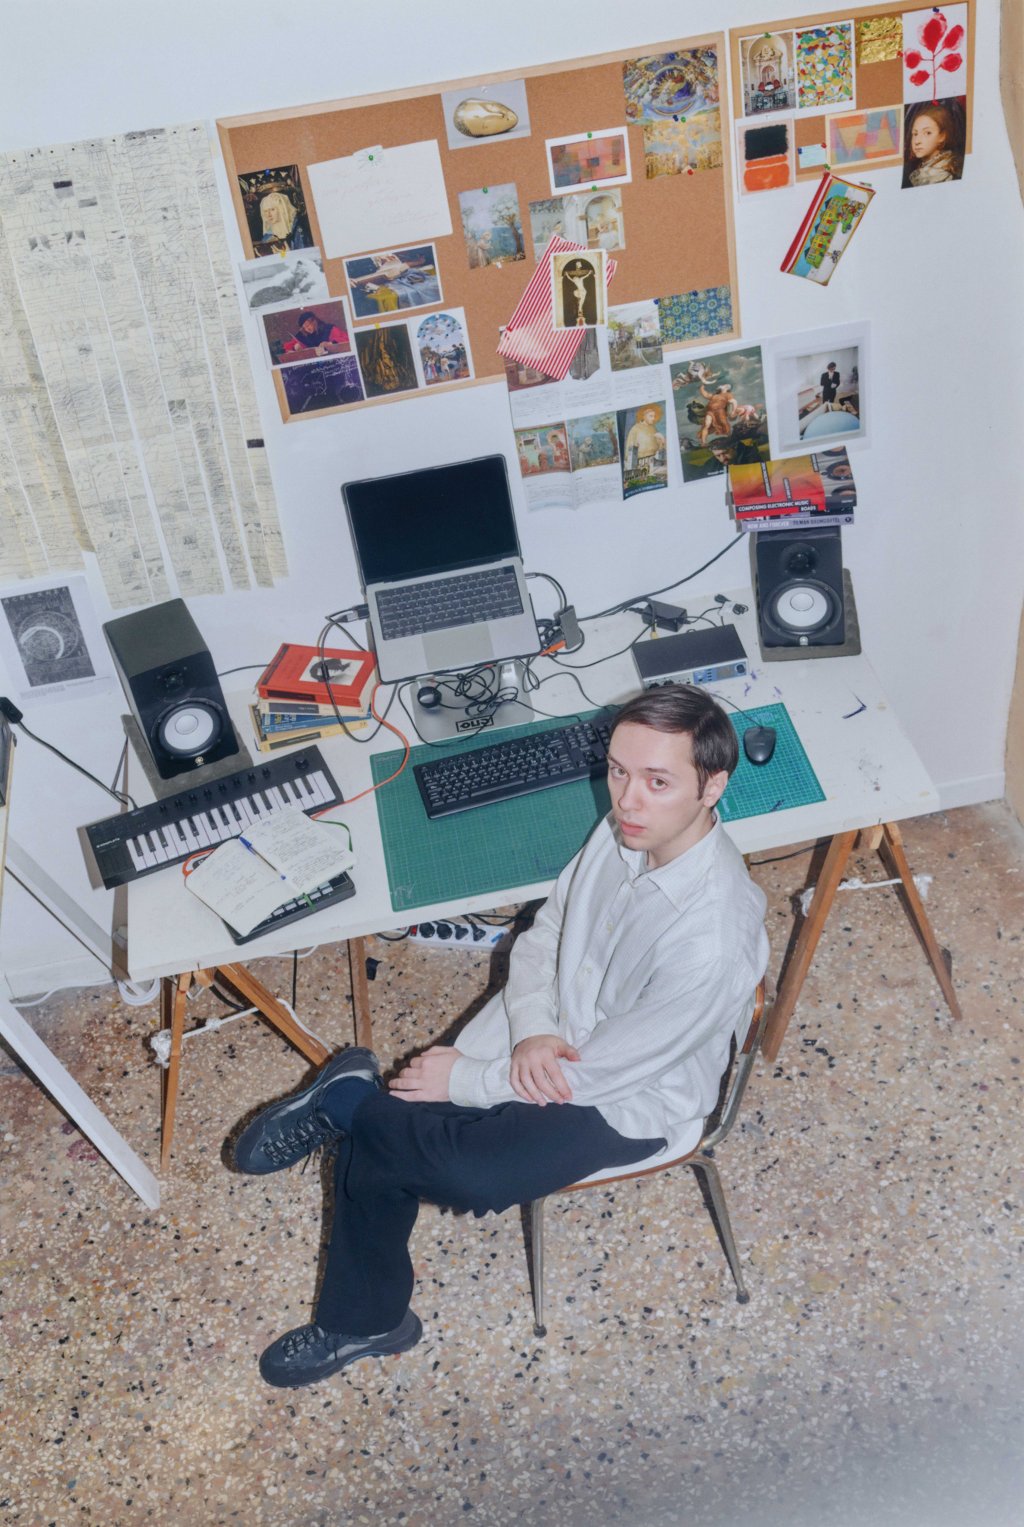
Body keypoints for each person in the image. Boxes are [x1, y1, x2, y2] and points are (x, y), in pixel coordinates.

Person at [232, 685, 769, 1388]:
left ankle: (349, 1109)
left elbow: (602, 1076)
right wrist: (536, 1029)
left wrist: (471, 1079)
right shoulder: (626, 833)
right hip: (546, 1031)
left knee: (463, 1172)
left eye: (657, 781)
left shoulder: (713, 937)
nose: (627, 799)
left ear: (713, 784)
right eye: (617, 770)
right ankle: (366, 1300)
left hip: (631, 1100)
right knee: (399, 1137)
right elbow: (544, 931)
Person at [903, 102, 963, 187]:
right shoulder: (921, 166)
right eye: (915, 134)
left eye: (927, 133)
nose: (917, 141)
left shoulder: (940, 174)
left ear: (942, 136)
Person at [281, 311, 347, 356]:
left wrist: (330, 343)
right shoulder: (302, 335)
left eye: (308, 325)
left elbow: (346, 339)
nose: (307, 329)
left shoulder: (328, 329)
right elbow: (287, 347)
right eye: (304, 327)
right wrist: (294, 348)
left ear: (314, 321)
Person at [624, 404, 666, 474]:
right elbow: (630, 450)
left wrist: (662, 441)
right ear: (644, 416)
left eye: (654, 416)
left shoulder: (653, 429)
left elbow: (660, 448)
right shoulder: (635, 429)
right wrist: (632, 468)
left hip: (655, 462)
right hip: (640, 464)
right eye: (651, 416)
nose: (653, 418)